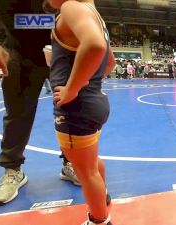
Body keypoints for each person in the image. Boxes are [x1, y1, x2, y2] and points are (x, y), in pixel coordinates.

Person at [0, 0, 79, 206]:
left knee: (73, 109)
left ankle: (72, 163)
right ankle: (13, 170)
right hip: (18, 50)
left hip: (62, 51)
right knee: (17, 113)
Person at [47, 0, 115, 224]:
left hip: (75, 109)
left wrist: (72, 88)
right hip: (94, 102)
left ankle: (99, 220)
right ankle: (101, 198)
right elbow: (110, 63)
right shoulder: (95, 15)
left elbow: (95, 46)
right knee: (91, 164)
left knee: (86, 172)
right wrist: (88, 83)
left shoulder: (71, 7)